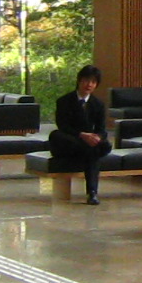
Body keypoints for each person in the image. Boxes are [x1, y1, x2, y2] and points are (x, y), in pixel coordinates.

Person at [48, 65, 111, 204]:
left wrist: (97, 137)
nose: (89, 84)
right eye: (86, 80)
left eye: (93, 82)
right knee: (56, 135)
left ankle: (92, 193)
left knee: (101, 145)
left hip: (86, 144)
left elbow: (101, 129)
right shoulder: (64, 101)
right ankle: (92, 192)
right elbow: (63, 126)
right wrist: (82, 135)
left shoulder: (98, 104)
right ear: (79, 81)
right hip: (71, 140)